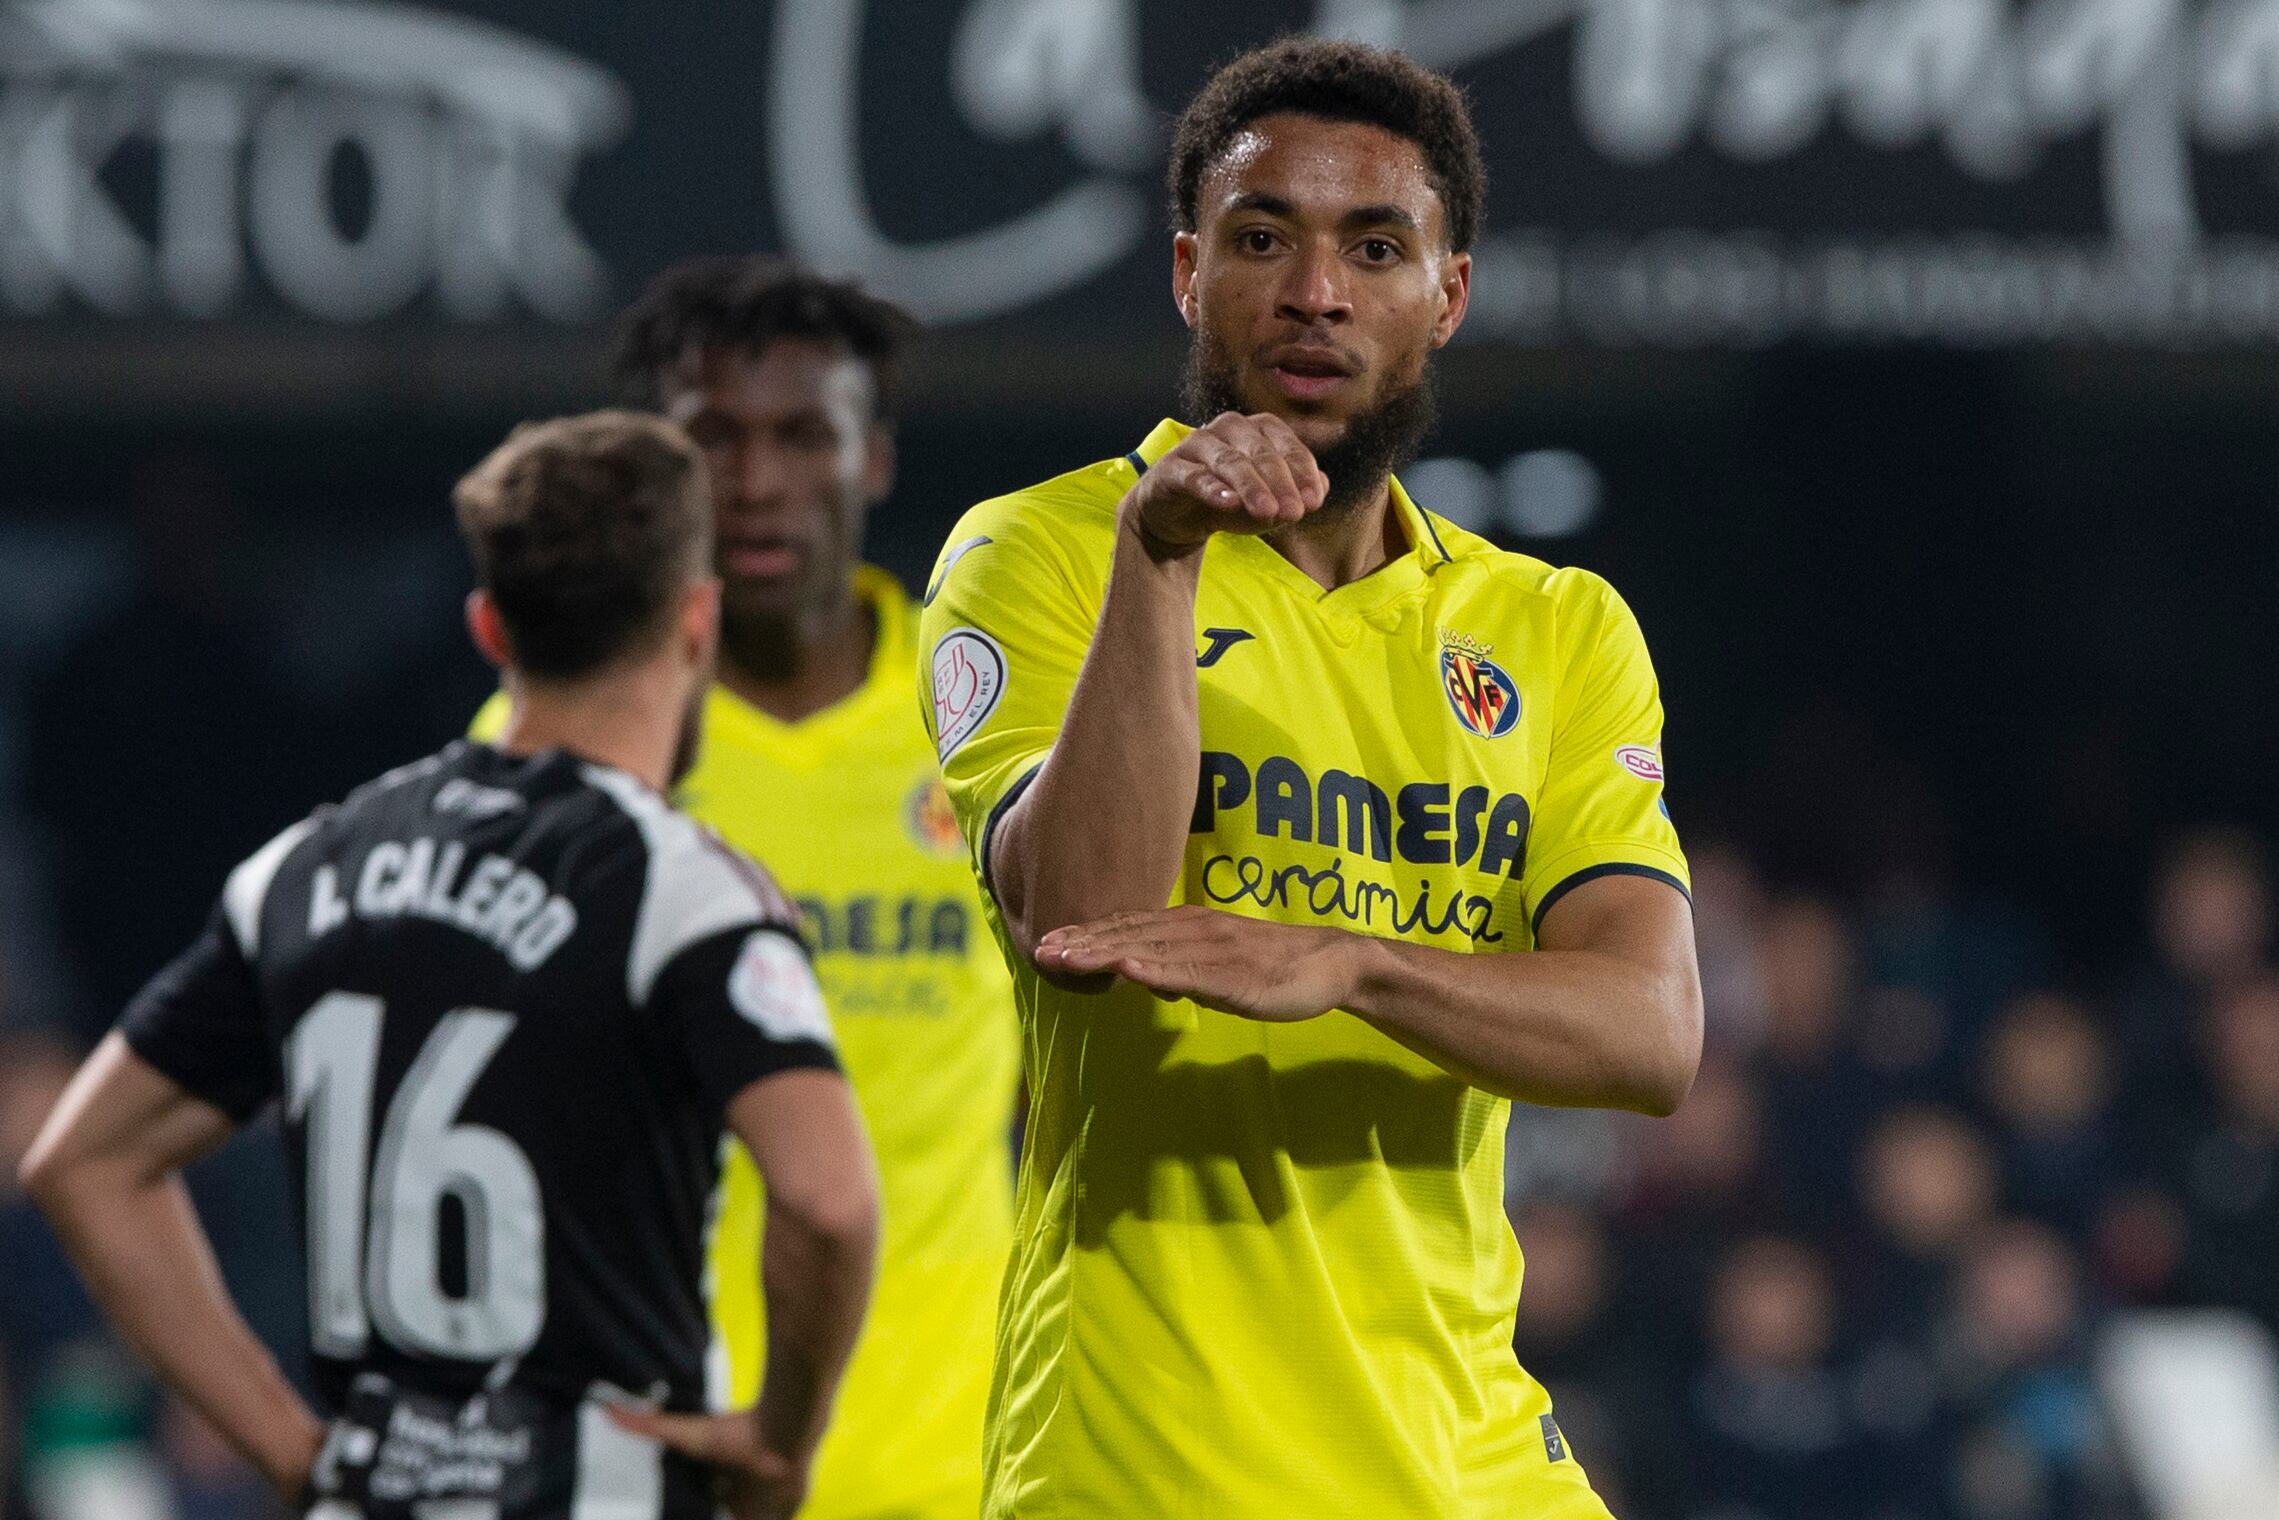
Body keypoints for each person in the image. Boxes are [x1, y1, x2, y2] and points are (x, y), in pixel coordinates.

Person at [919, 38, 1703, 1519]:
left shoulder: (1553, 627)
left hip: (1466, 1456)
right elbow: (1079, 921)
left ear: (1446, 295)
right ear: (1185, 271)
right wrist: (1155, 561)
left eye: (1374, 246)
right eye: (1261, 237)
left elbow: (1648, 1034)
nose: (1313, 292)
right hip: (1151, 1460)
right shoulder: (1036, 551)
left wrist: (1348, 962)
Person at [20, 412, 880, 1520]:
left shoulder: (303, 869)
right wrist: (779, 1438)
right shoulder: (683, 887)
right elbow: (826, 1195)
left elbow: (80, 1162)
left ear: (488, 627)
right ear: (696, 619)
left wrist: (285, 1444)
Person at [476, 258, 1020, 1520]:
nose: (759, 479)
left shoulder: (995, 720)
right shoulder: (551, 743)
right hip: (648, 1455)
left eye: (801, 434)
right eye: (710, 436)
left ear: (871, 457)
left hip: (965, 1464)